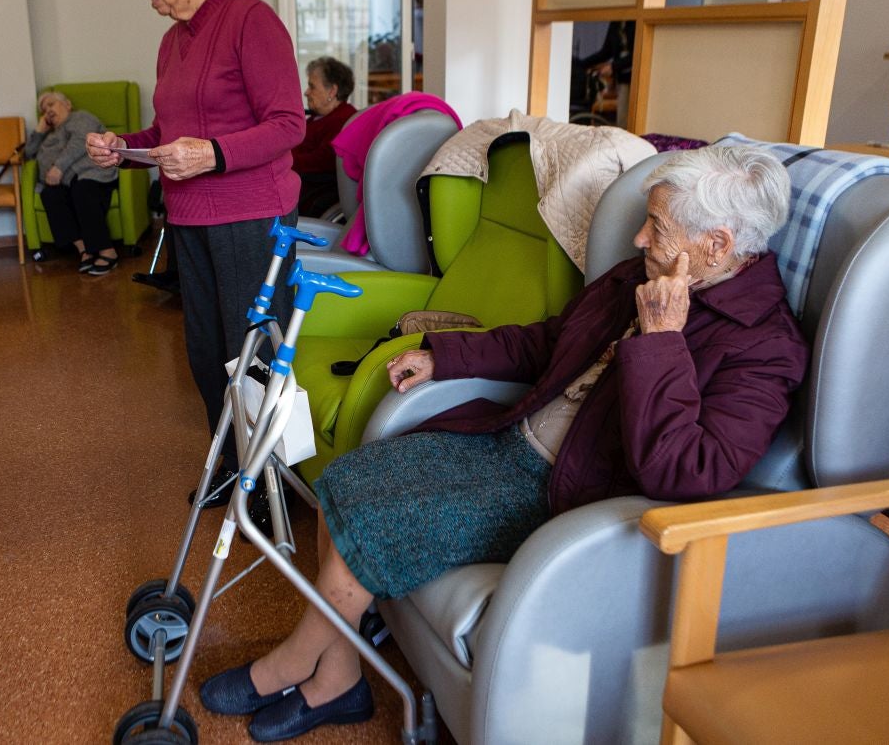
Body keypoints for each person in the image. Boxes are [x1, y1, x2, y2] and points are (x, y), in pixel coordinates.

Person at [198, 146, 809, 741]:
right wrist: (445, 356)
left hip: (570, 491)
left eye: (657, 226)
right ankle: (340, 675)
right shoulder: (640, 276)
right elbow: (552, 340)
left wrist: (662, 341)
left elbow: (689, 470)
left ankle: (291, 664)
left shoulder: (765, 347)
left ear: (718, 245)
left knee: (374, 524)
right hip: (512, 440)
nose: (638, 240)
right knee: (351, 477)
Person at [86, 0, 305, 531]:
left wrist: (211, 154)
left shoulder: (251, 21)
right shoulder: (171, 42)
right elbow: (171, 130)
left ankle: (271, 483)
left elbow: (288, 125)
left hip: (250, 217)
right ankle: (234, 467)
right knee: (208, 354)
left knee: (251, 358)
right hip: (191, 220)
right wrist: (125, 148)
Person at [25, 90, 118, 273]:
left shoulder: (79, 117)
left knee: (82, 190)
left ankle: (108, 251)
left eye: (51, 104)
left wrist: (58, 167)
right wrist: (39, 130)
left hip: (90, 173)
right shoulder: (50, 134)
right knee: (49, 195)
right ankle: (84, 249)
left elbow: (80, 141)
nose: (48, 111)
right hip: (64, 181)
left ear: (67, 104)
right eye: (44, 109)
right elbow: (28, 153)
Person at [294, 56, 357, 217]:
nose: (306, 92)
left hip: (313, 195)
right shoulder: (318, 117)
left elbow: (323, 161)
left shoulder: (343, 121)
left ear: (332, 91)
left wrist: (282, 159)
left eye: (312, 86)